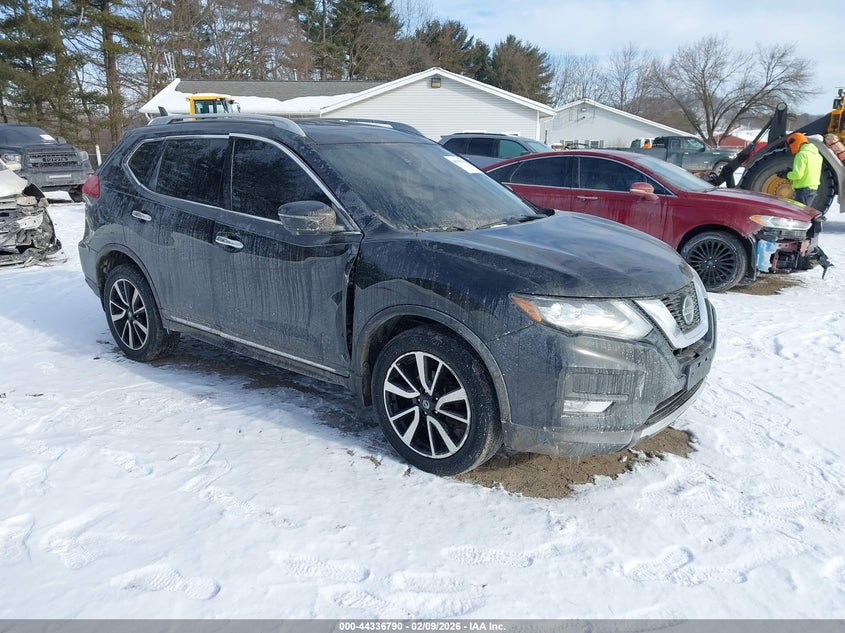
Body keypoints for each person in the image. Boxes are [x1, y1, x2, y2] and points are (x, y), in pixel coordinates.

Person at [785, 132, 823, 208]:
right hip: (813, 189)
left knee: (799, 214)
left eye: (790, 145)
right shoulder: (817, 155)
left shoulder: (801, 155)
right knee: (805, 213)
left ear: (795, 142)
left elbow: (797, 175)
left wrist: (787, 175)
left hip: (803, 190)